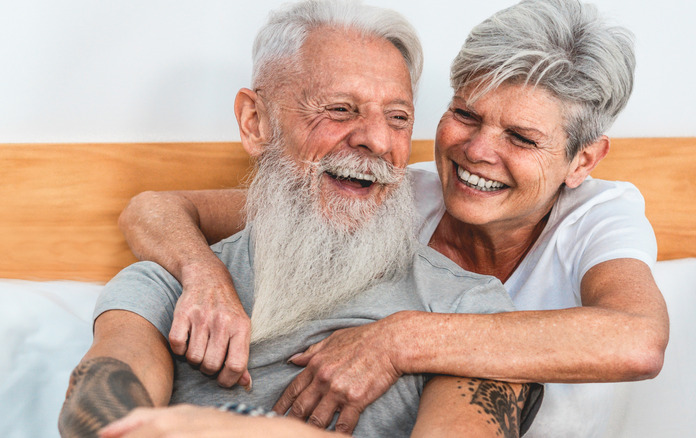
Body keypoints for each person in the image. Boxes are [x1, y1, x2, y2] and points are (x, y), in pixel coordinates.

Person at [119, 0, 670, 434]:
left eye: (522, 138)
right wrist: (204, 275)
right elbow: (158, 208)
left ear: (583, 160)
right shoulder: (380, 193)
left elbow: (639, 340)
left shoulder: (599, 214)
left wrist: (395, 340)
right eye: (465, 115)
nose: (477, 151)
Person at [58, 1, 542, 437]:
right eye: (340, 109)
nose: (376, 140)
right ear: (256, 122)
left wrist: (234, 431)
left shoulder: (468, 308)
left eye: (398, 117)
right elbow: (94, 407)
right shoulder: (164, 285)